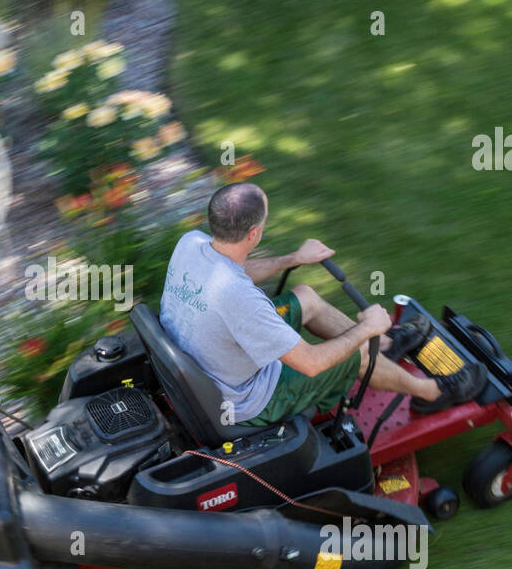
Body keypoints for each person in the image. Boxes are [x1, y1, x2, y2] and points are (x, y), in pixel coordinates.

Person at [159, 182, 486, 427]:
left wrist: (295, 259)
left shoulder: (193, 243)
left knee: (306, 298)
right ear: (254, 234)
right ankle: (430, 392)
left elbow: (239, 269)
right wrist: (365, 328)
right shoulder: (242, 300)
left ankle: (383, 345)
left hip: (211, 361)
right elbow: (311, 363)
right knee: (355, 351)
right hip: (248, 400)